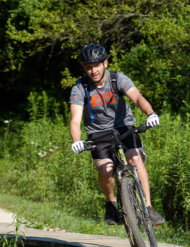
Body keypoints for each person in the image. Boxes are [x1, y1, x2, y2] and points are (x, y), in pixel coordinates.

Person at [68, 43, 165, 226]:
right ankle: (111, 202)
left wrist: (150, 114)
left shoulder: (117, 79)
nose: (93, 70)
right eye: (88, 67)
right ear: (84, 68)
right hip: (98, 133)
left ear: (105, 63)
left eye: (96, 65)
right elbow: (75, 120)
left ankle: (148, 207)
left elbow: (137, 98)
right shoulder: (80, 88)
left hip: (124, 127)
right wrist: (76, 141)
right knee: (106, 169)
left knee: (135, 160)